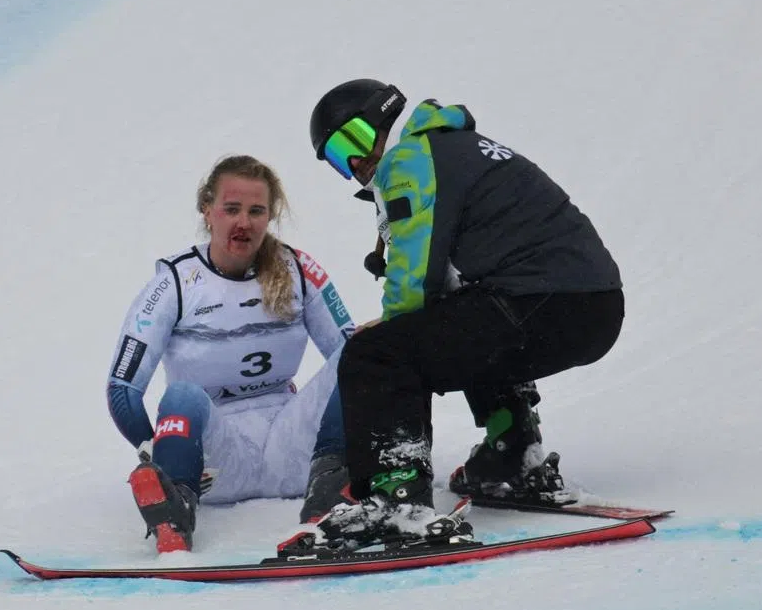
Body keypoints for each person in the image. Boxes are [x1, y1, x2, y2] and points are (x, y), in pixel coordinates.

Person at [306, 79, 624, 550]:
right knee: (464, 319)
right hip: (595, 306)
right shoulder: (457, 146)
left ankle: (397, 499)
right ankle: (511, 454)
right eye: (336, 158)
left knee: (376, 355)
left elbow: (416, 273)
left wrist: (389, 330)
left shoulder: (410, 157)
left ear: (383, 118)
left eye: (350, 141)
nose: (353, 165)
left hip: (541, 299)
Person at [105, 155, 356, 552]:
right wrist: (150, 446)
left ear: (269, 216)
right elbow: (122, 386)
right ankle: (175, 510)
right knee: (183, 395)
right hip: (216, 462)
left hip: (293, 449)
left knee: (365, 353)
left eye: (256, 211)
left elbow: (354, 356)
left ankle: (332, 494)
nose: (244, 222)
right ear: (208, 210)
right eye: (232, 209)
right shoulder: (175, 281)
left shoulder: (298, 269)